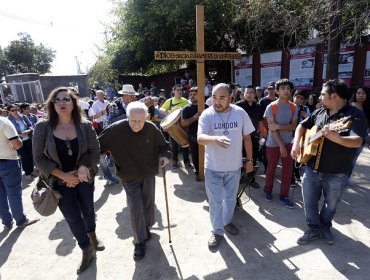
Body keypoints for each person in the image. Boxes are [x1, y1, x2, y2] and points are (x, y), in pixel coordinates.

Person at [32, 87, 104, 274]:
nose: (62, 103)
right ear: (51, 104)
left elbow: (95, 151)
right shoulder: (42, 127)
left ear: (74, 103)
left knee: (88, 210)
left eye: (66, 99)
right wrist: (64, 176)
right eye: (57, 100)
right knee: (72, 217)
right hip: (59, 183)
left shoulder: (85, 125)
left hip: (84, 179)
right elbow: (39, 159)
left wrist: (83, 167)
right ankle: (86, 249)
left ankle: (92, 235)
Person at [291, 79, 368, 245]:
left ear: (334, 96)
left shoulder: (354, 115)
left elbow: (357, 140)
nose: (319, 97)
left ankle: (325, 226)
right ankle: (313, 228)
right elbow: (301, 127)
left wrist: (337, 138)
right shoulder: (319, 113)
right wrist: (297, 144)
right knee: (309, 202)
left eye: (323, 94)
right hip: (312, 169)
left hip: (337, 173)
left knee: (330, 206)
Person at [99, 101, 171, 261]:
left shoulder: (151, 128)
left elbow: (164, 146)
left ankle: (145, 227)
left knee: (148, 203)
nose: (137, 124)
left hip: (148, 172)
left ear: (146, 118)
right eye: (133, 120)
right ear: (127, 117)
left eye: (140, 121)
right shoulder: (116, 129)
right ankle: (139, 241)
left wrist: (165, 156)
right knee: (135, 206)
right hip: (129, 174)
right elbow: (98, 145)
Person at [198, 83, 254, 248]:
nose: (217, 101)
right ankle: (217, 231)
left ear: (231, 97)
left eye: (222, 98)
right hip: (213, 168)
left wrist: (249, 160)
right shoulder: (207, 115)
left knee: (230, 199)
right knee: (215, 201)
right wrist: (215, 139)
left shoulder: (240, 113)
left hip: (234, 168)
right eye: (214, 97)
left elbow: (247, 138)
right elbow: (200, 138)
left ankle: (227, 221)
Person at [263, 79, 298, 208]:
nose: (286, 91)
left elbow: (294, 126)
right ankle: (267, 190)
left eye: (288, 88)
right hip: (273, 143)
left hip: (289, 142)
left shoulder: (294, 106)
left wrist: (279, 126)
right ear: (277, 91)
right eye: (283, 88)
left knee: (288, 171)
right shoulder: (271, 107)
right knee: (271, 169)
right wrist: (281, 145)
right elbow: (272, 129)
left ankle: (284, 195)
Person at [0, 116, 39, 230]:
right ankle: (20, 220)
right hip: (8, 163)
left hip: (6, 163)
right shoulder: (4, 122)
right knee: (14, 193)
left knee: (1, 196)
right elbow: (17, 144)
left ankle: (7, 222)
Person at [235, 85, 265, 188]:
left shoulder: (258, 107)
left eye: (252, 92)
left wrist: (261, 134)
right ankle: (240, 177)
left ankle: (251, 179)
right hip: (240, 137)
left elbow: (260, 121)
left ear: (255, 94)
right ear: (244, 94)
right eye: (247, 92)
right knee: (240, 158)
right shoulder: (238, 106)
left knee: (253, 158)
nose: (249, 95)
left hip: (254, 136)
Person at [159, 84, 190, 169]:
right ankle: (175, 161)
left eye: (180, 90)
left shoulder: (186, 101)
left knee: (185, 145)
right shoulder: (170, 101)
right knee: (175, 146)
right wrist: (168, 112)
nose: (180, 91)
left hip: (183, 126)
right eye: (178, 90)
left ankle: (187, 162)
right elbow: (161, 109)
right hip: (173, 127)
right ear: (173, 92)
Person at [181, 87, 207, 181]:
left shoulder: (206, 107)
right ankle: (198, 173)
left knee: (207, 154)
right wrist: (195, 117)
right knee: (195, 155)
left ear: (200, 95)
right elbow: (183, 123)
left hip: (206, 136)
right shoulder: (187, 108)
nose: (192, 96)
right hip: (193, 136)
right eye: (191, 94)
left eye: (194, 94)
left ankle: (207, 172)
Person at [7, 104, 35, 180]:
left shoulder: (24, 117)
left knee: (31, 155)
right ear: (9, 111)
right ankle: (27, 173)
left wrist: (28, 130)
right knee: (24, 157)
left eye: (16, 109)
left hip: (28, 139)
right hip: (18, 141)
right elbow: (8, 131)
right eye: (12, 110)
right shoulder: (8, 120)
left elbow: (31, 125)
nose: (15, 111)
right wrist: (18, 135)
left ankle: (31, 170)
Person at [291, 90, 311, 187]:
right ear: (293, 96)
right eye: (297, 97)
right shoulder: (289, 107)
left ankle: (296, 172)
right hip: (290, 135)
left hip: (301, 136)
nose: (299, 100)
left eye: (301, 98)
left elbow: (311, 123)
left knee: (298, 156)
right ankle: (291, 178)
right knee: (290, 157)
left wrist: (305, 116)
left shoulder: (306, 109)